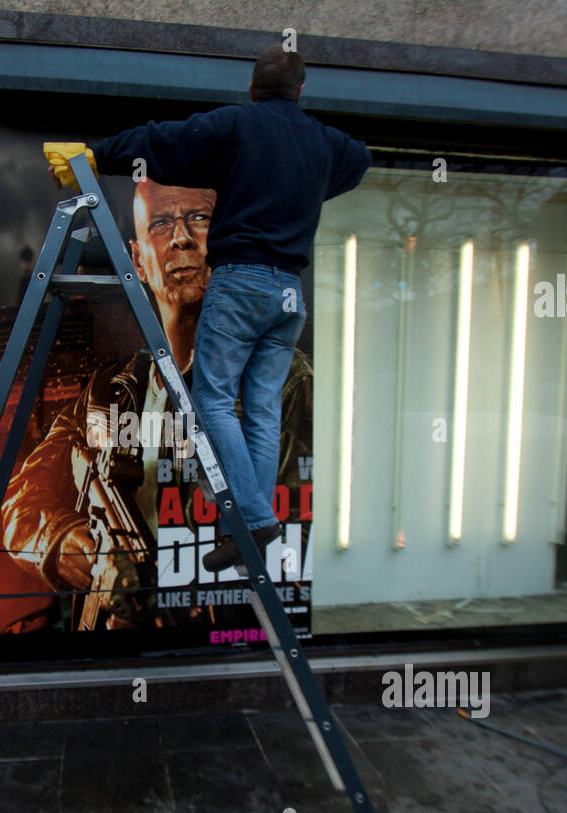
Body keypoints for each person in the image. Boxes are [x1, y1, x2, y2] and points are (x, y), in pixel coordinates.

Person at [80, 47, 372, 571]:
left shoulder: (239, 125)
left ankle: (254, 519)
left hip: (243, 285)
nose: (183, 239)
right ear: (301, 92)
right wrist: (306, 182)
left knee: (211, 404)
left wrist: (97, 155)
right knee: (260, 410)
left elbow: (162, 139)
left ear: (253, 89)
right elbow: (359, 159)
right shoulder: (324, 142)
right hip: (289, 295)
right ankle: (252, 524)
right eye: (163, 225)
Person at [0, 178, 312, 629]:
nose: (181, 237)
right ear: (137, 260)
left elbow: (298, 543)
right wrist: (71, 545)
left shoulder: (286, 383)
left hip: (222, 647)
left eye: (200, 220)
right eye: (161, 224)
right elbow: (22, 500)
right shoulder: (109, 391)